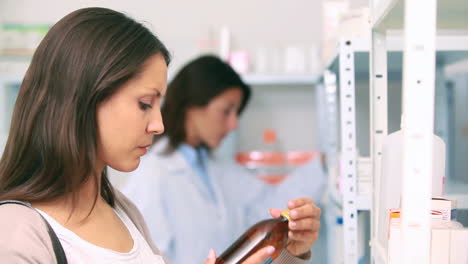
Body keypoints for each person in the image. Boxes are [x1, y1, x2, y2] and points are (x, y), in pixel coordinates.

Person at [0, 7, 319, 264]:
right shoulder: (17, 233)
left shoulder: (122, 212)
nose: (158, 125)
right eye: (144, 104)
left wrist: (293, 252)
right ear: (85, 97)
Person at [122, 55, 325, 264]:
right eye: (226, 111)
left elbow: (270, 204)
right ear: (192, 105)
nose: (233, 124)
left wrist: (323, 166)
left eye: (236, 113)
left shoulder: (218, 169)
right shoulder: (153, 174)